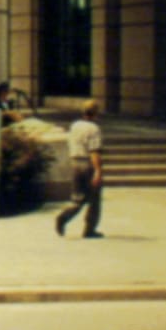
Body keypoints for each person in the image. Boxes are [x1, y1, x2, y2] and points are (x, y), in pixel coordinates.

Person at [53, 99, 104, 239]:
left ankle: (64, 217)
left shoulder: (75, 125)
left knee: (77, 198)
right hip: (87, 164)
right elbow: (94, 151)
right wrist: (98, 171)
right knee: (94, 199)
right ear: (95, 113)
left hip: (75, 162)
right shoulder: (94, 129)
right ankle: (90, 229)